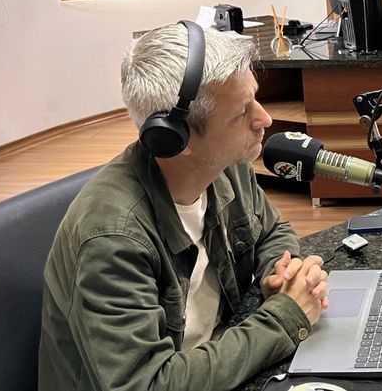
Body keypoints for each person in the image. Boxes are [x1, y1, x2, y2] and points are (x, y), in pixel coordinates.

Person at [38, 23, 330, 391]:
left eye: (255, 99)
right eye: (241, 113)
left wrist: (280, 271)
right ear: (175, 138)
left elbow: (271, 229)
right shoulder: (113, 239)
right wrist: (284, 318)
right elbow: (146, 384)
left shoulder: (224, 164)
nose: (264, 120)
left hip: (213, 359)